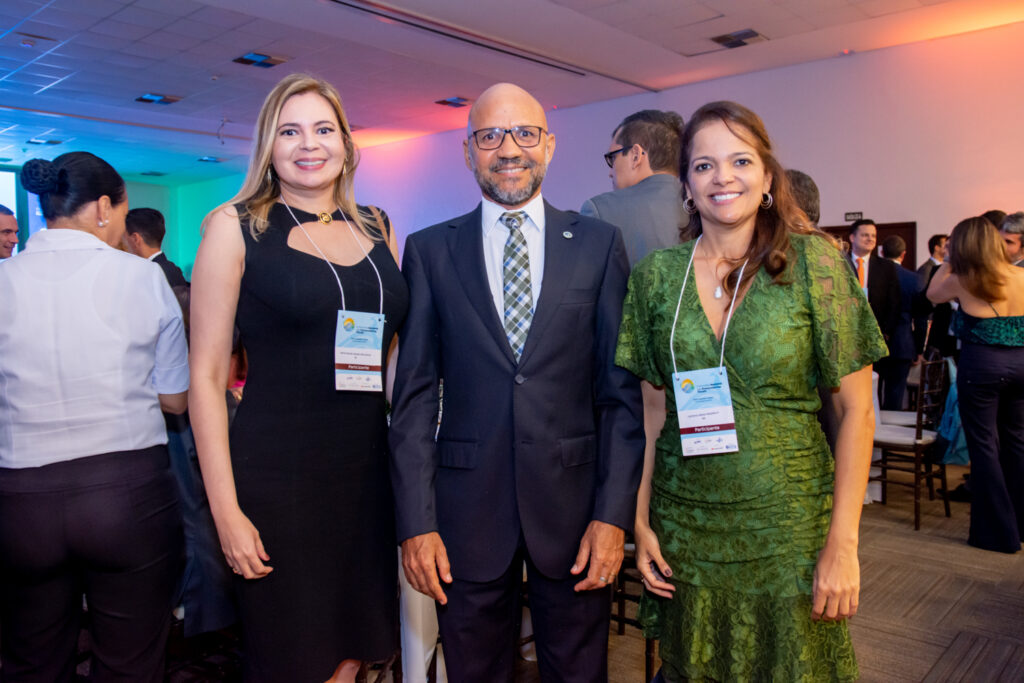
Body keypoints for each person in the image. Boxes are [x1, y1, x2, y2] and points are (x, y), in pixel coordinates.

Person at [616, 101, 885, 682]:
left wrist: (844, 542)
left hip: (786, 524)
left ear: (767, 177)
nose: (723, 178)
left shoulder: (814, 263)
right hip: (686, 523)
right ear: (686, 183)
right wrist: (638, 521)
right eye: (705, 165)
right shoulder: (657, 276)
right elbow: (650, 412)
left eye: (740, 160)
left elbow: (858, 412)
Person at [389, 82, 644, 683]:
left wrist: (613, 518)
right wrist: (416, 523)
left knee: (580, 673)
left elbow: (620, 400)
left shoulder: (599, 246)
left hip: (576, 514)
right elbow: (415, 401)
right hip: (463, 516)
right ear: (468, 151)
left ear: (549, 147)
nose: (509, 149)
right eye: (490, 136)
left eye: (525, 133)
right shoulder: (430, 252)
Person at [189, 73, 407, 682]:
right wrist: (225, 511)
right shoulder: (234, 227)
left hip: (365, 478)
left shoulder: (376, 225)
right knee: (295, 656)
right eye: (289, 130)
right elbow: (206, 378)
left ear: (346, 142)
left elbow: (390, 357)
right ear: (268, 145)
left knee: (353, 652)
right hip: (278, 481)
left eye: (322, 129)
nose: (308, 145)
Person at [0, 152, 189, 681]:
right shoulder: (143, 279)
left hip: (21, 502)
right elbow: (175, 399)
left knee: (30, 661)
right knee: (130, 663)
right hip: (125, 495)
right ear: (104, 208)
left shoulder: (3, 279)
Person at [928, 216, 1024, 553]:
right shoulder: (1022, 275)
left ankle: (998, 534)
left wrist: (949, 259)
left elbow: (932, 294)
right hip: (1021, 365)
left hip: (983, 365)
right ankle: (1020, 523)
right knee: (1017, 443)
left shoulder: (963, 279)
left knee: (985, 447)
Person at [580, 109, 686, 265]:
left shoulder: (600, 210)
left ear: (636, 156)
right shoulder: (702, 205)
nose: (611, 172)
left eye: (613, 158)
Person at [880, 235, 922, 410]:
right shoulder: (913, 279)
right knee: (896, 392)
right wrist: (918, 349)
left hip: (878, 338)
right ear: (903, 254)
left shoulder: (874, 277)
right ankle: (891, 431)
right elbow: (920, 317)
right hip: (903, 342)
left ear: (881, 252)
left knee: (871, 390)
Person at [123, 207, 189, 287]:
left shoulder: (151, 274)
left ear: (135, 239)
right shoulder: (172, 269)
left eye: (123, 238)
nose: (121, 244)